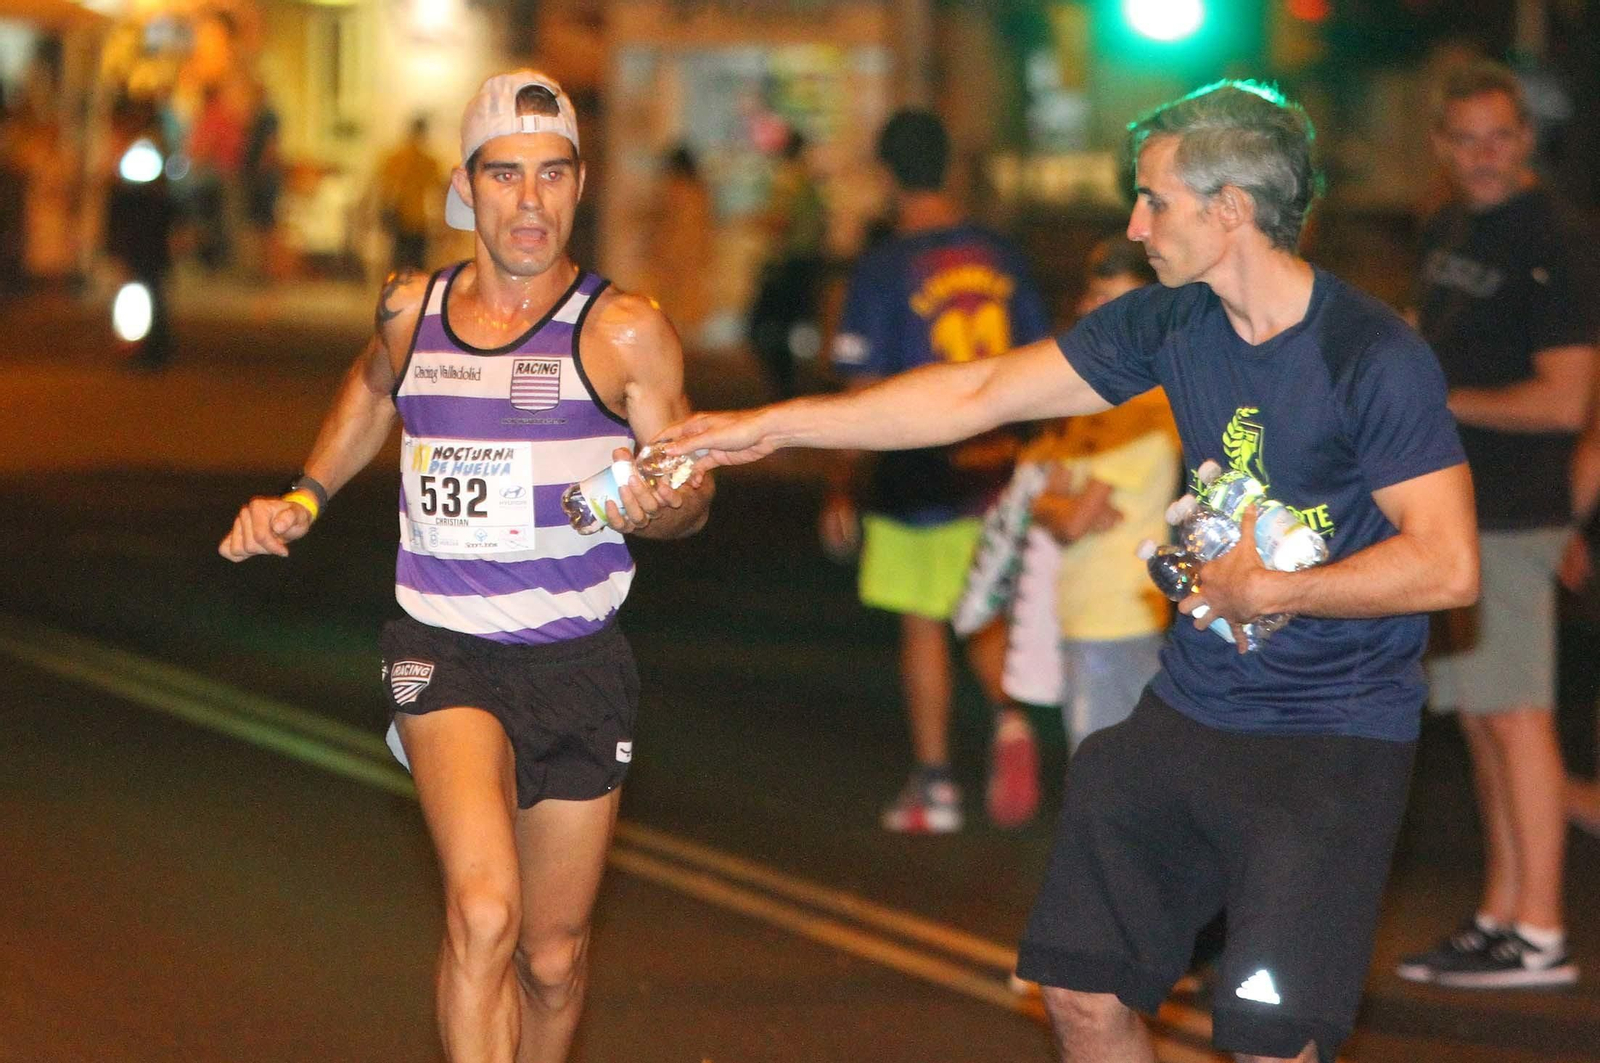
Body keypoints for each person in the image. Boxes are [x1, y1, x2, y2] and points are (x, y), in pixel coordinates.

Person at [657, 80, 1477, 1063]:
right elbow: (982, 389)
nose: (1134, 225)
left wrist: (1276, 589)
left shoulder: (1371, 356)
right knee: (1078, 987)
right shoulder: (1173, 322)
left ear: (1229, 211)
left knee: (1266, 1043)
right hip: (1194, 707)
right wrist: (765, 425)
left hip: (1328, 740)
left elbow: (1447, 563)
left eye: (1154, 200)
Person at [218, 71, 712, 1063]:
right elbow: (369, 392)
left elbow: (688, 498)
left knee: (552, 954)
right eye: (504, 176)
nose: (528, 201)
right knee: (484, 910)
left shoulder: (624, 332)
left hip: (577, 659)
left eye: (551, 176)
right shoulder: (413, 311)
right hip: (444, 650)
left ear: (580, 186)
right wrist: (304, 496)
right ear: (465, 187)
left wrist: (670, 505)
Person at [1397, 60, 1596, 990]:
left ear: (1526, 141)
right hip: (1454, 510)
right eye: (1465, 137)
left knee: (1517, 716)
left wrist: (1442, 394)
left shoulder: (1555, 240)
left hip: (1515, 511)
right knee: (1479, 717)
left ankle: (1542, 928)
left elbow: (1563, 403)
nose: (1483, 155)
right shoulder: (1449, 227)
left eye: (1500, 137)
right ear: (1442, 144)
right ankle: (1501, 912)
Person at [825, 108, 1053, 833]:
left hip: (917, 469)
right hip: (994, 464)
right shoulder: (1001, 254)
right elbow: (1041, 362)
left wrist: (842, 481)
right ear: (951, 167)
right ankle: (1011, 714)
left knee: (925, 619)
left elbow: (861, 391)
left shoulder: (886, 266)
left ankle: (935, 785)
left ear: (887, 175)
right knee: (982, 604)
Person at [1025, 236, 1179, 753]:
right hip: (1086, 613)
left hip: (1120, 619)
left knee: (1105, 780)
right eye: (1095, 297)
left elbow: (1066, 519)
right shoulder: (1096, 404)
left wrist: (1063, 508)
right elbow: (1049, 503)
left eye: (1119, 303)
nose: (1099, 313)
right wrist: (1063, 507)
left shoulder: (1145, 407)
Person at [748, 125, 826, 399]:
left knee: (764, 328)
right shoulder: (809, 182)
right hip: (806, 264)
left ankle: (783, 385)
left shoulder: (788, 181)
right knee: (795, 326)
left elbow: (780, 222)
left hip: (785, 265)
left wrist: (756, 221)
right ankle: (792, 383)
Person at [644, 144, 715, 345]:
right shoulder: (699, 191)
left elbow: (660, 221)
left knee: (675, 302)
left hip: (673, 254)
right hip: (686, 255)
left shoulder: (675, 190)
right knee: (684, 302)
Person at [378, 115, 446, 271]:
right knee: (417, 264)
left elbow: (386, 190)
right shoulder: (429, 161)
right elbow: (439, 190)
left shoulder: (395, 158)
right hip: (419, 219)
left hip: (400, 217)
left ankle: (400, 292)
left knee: (399, 263)